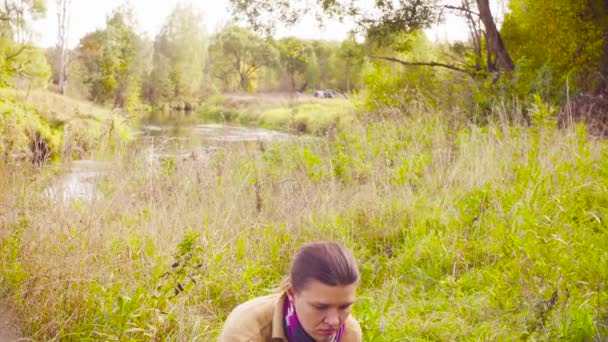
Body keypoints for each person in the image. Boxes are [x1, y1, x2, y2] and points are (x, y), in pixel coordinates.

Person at [218, 241, 362, 342]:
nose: (334, 321)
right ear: (292, 293)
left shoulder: (349, 334)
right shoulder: (246, 332)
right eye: (320, 307)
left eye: (344, 307)